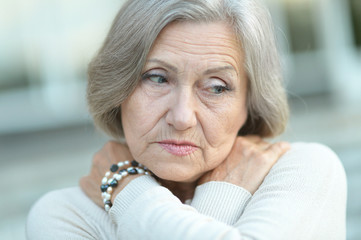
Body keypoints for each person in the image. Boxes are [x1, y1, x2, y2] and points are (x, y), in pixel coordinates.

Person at [26, 0, 347, 239]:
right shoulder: (64, 216)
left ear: (250, 104)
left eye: (216, 87)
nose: (181, 118)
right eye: (157, 78)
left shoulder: (305, 171)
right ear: (118, 89)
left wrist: (126, 189)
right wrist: (226, 195)